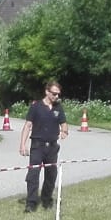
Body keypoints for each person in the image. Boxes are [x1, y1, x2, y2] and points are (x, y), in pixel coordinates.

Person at [20, 80, 69, 212]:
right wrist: (22, 145)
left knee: (51, 175)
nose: (56, 96)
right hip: (38, 146)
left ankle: (46, 200)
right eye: (54, 93)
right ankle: (31, 203)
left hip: (52, 147)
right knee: (33, 175)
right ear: (47, 92)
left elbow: (64, 124)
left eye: (58, 94)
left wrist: (64, 131)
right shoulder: (36, 106)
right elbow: (27, 126)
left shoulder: (58, 108)